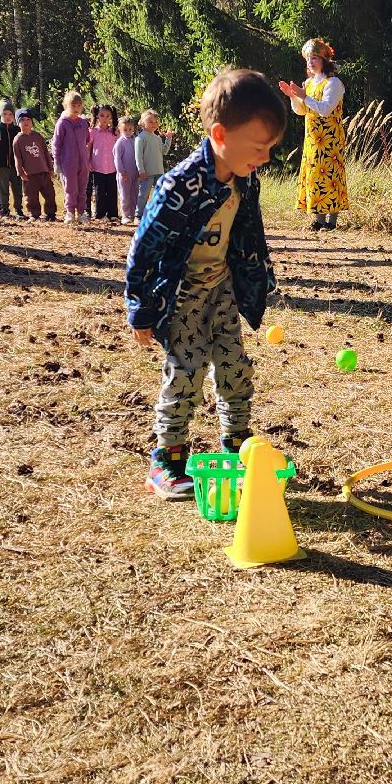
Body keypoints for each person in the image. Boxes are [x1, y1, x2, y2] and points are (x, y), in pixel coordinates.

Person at [125, 69, 285, 499]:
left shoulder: (244, 176)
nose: (265, 157)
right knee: (186, 373)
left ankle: (237, 452)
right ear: (219, 134)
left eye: (270, 148)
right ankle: (167, 460)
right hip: (182, 298)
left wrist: (258, 275)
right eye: (258, 147)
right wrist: (140, 309)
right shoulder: (179, 186)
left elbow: (250, 230)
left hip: (224, 290)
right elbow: (144, 250)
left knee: (235, 369)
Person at [279, 37, 348, 230]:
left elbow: (325, 109)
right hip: (312, 138)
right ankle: (318, 220)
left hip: (330, 139)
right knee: (315, 176)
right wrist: (294, 97)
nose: (310, 62)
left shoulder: (333, 83)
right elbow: (301, 111)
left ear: (324, 60)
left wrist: (304, 96)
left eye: (315, 57)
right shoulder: (308, 83)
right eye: (308, 58)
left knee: (331, 176)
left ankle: (331, 222)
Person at [51, 90, 91, 224]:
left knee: (82, 188)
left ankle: (81, 212)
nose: (76, 108)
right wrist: (57, 162)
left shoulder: (83, 123)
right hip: (68, 162)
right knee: (70, 188)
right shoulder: (62, 123)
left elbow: (87, 139)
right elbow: (56, 144)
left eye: (79, 105)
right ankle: (69, 212)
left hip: (83, 162)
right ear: (65, 106)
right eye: (73, 105)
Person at [12, 108, 57, 221]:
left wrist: (50, 168)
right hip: (30, 174)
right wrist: (21, 172)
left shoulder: (38, 136)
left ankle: (51, 214)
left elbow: (45, 152)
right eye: (22, 120)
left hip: (43, 171)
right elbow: (17, 157)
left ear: (32, 122)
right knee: (31, 196)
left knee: (50, 194)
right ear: (18, 123)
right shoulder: (18, 140)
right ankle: (34, 214)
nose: (26, 122)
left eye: (28, 119)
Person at [0, 100, 25, 219]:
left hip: (15, 165)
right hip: (2, 165)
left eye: (10, 114)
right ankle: (5, 209)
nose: (8, 117)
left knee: (17, 187)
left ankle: (19, 209)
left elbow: (23, 148)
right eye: (5, 114)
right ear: (0, 115)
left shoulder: (17, 130)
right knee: (3, 188)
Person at [132, 108, 167, 223]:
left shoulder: (157, 138)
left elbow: (164, 151)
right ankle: (138, 215)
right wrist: (141, 170)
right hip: (147, 172)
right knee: (143, 195)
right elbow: (138, 156)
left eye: (156, 122)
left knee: (159, 194)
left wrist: (169, 138)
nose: (154, 124)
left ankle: (156, 214)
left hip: (159, 171)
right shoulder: (140, 138)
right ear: (143, 123)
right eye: (150, 121)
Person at [88, 104, 120, 222]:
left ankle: (113, 214)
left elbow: (119, 148)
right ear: (97, 116)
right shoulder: (93, 132)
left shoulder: (115, 133)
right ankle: (100, 214)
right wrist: (88, 161)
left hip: (112, 167)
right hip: (97, 166)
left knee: (112, 191)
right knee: (99, 192)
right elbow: (89, 147)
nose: (105, 118)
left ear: (111, 117)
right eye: (102, 115)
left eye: (107, 116)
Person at [113, 115, 139, 225]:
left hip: (135, 173)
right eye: (125, 130)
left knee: (134, 193)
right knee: (125, 195)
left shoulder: (136, 140)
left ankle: (134, 214)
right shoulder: (120, 143)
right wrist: (121, 172)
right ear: (120, 129)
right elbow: (117, 158)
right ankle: (126, 215)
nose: (128, 132)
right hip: (124, 174)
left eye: (130, 129)